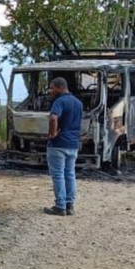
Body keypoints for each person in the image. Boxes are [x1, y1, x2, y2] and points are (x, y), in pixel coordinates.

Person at [45, 76, 83, 216]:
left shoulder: (59, 101)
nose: (50, 91)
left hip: (58, 144)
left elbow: (54, 117)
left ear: (60, 87)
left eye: (52, 87)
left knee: (58, 175)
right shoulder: (78, 103)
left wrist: (52, 134)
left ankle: (60, 206)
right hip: (73, 144)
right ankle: (69, 205)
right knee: (70, 174)